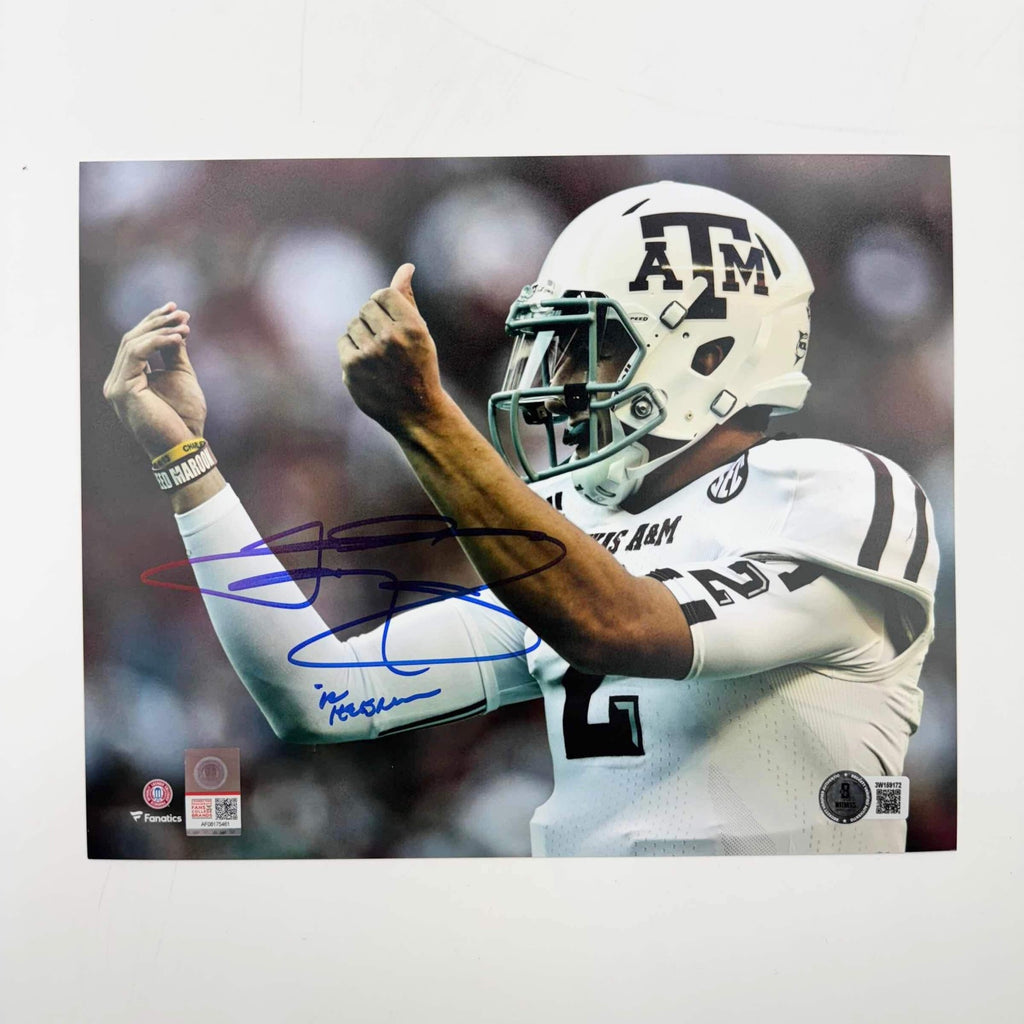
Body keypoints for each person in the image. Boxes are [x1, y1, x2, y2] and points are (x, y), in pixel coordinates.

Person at [104, 181, 938, 856]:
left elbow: (618, 624)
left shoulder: (835, 490)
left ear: (711, 354)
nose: (559, 381)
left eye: (594, 346)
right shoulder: (581, 527)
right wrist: (188, 463)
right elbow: (319, 692)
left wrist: (426, 420)